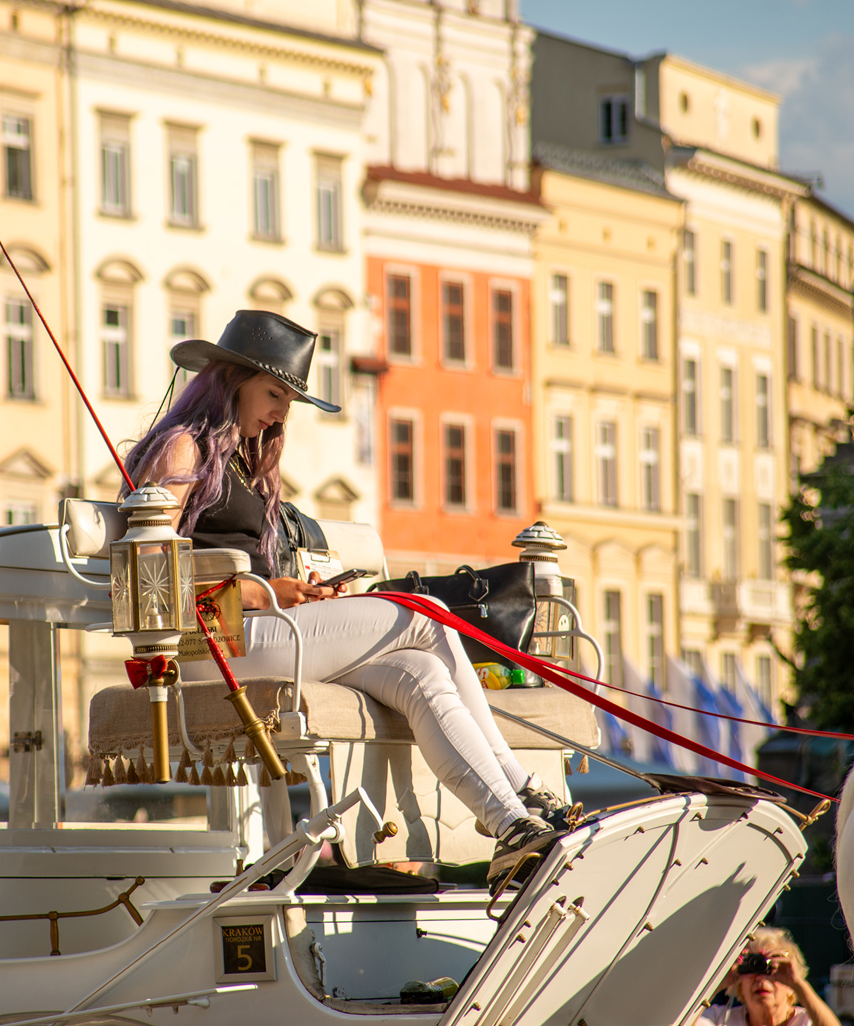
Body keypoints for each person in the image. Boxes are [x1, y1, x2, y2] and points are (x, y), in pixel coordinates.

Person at [124, 309, 563, 887]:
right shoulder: (181, 450)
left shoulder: (243, 463)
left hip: (261, 629)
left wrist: (304, 590)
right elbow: (148, 577)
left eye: (289, 398)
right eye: (275, 391)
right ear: (230, 380)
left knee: (420, 671)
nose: (282, 411)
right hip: (211, 641)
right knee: (425, 615)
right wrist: (261, 589)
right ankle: (522, 785)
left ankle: (511, 826)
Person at [688, 927, 843, 1026]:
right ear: (740, 986)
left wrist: (798, 984)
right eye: (751, 967)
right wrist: (718, 983)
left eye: (771, 969)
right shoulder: (719, 1021)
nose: (761, 980)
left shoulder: (807, 1022)